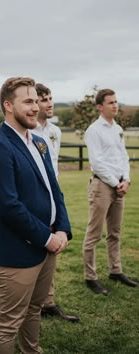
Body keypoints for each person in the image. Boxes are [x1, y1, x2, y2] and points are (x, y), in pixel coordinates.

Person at [0, 77, 72, 354]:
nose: (36, 107)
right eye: (28, 101)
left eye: (37, 100)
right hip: (18, 250)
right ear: (8, 106)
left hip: (49, 246)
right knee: (9, 321)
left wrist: (62, 229)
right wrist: (47, 238)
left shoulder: (40, 143)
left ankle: (32, 351)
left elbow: (55, 190)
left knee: (34, 309)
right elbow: (8, 206)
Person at [83, 88, 138, 295]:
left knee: (114, 233)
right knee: (94, 234)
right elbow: (97, 163)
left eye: (116, 101)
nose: (115, 105)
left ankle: (116, 271)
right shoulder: (94, 130)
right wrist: (116, 183)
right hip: (102, 186)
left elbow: (123, 157)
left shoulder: (118, 129)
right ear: (100, 106)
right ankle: (90, 277)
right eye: (110, 102)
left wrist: (127, 180)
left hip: (119, 186)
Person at [32, 83, 79, 322]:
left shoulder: (55, 132)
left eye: (51, 98)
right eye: (44, 99)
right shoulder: (28, 131)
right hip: (33, 197)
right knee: (35, 244)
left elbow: (55, 166)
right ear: (34, 103)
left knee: (55, 246)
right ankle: (31, 304)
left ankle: (48, 303)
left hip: (53, 194)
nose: (49, 103)